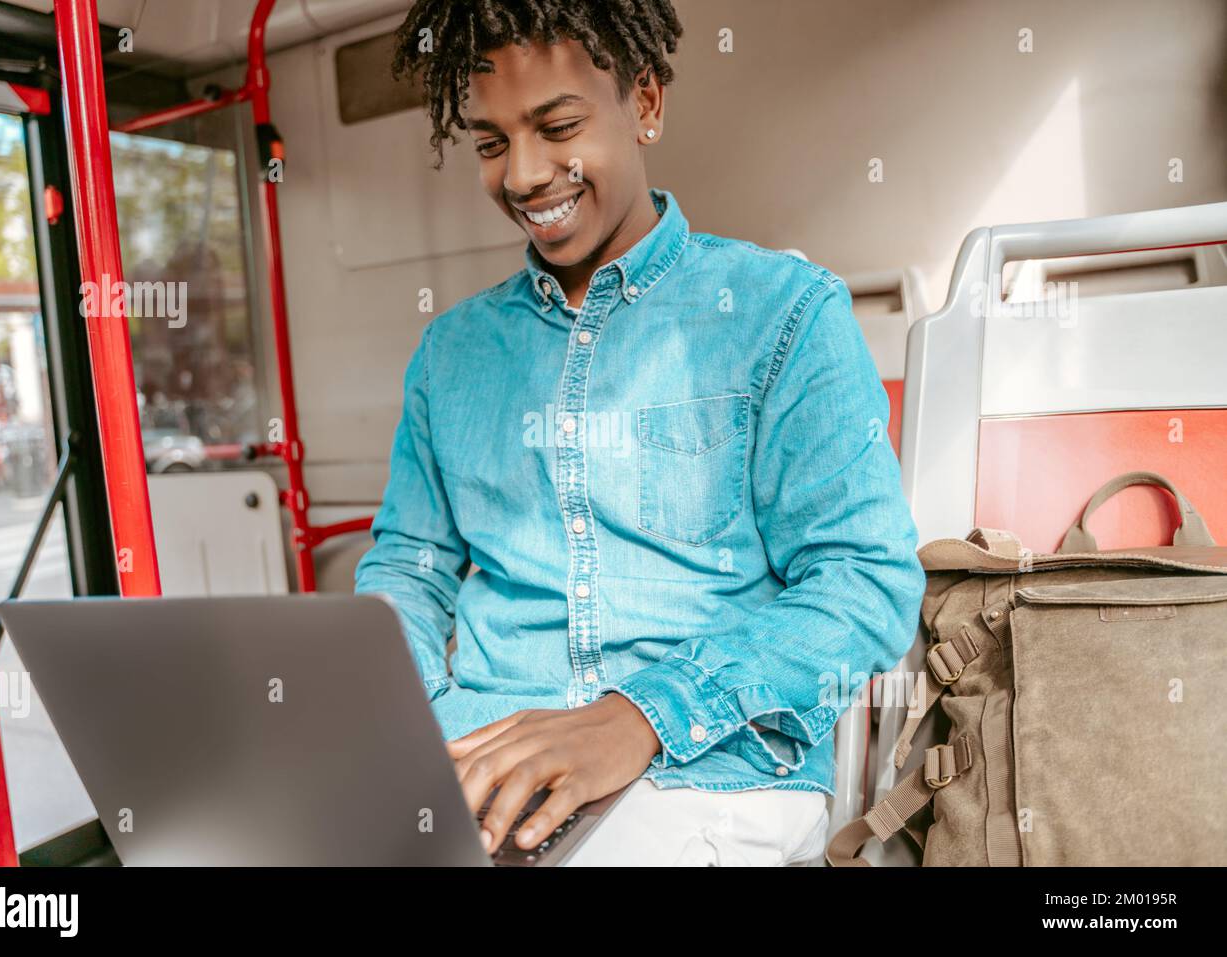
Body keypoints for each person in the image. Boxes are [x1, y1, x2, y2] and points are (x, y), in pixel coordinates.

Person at [355, 0, 926, 866]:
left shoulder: (785, 313)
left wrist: (641, 716)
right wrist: (426, 723)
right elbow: (409, 567)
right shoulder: (451, 354)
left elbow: (865, 582)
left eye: (558, 126)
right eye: (491, 142)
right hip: (478, 763)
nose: (522, 175)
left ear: (646, 104)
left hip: (708, 772)